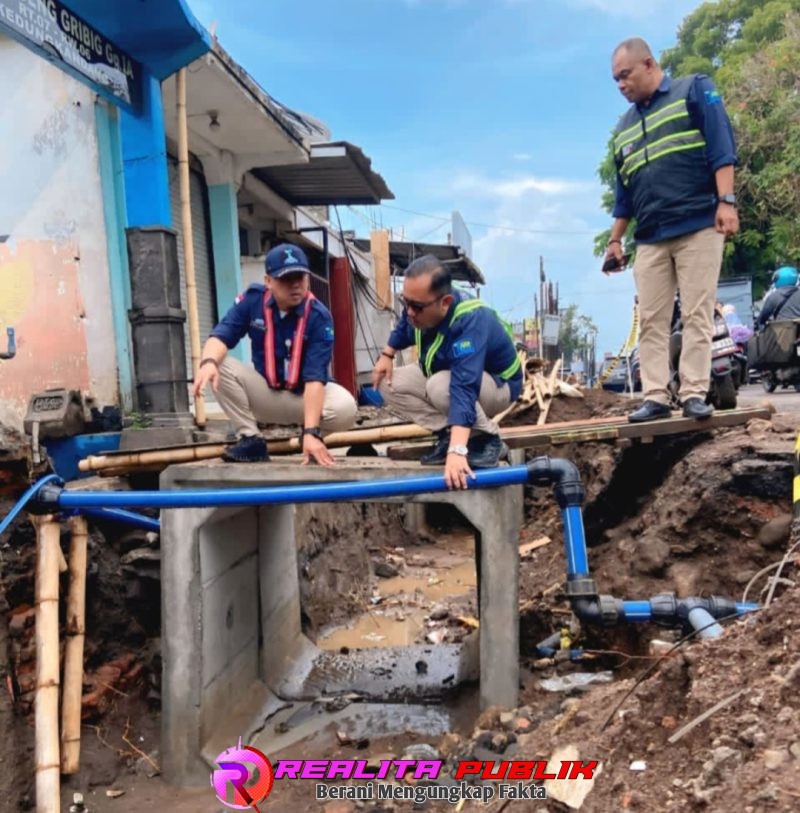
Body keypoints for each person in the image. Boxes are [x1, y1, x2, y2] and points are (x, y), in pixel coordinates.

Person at [604, 37, 739, 422]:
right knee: (651, 320)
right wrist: (615, 240)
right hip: (650, 238)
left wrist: (726, 202)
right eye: (615, 80)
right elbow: (624, 194)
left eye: (625, 75)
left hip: (698, 225)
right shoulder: (623, 130)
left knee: (697, 313)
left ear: (649, 64)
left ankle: (694, 392)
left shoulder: (694, 90)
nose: (621, 85)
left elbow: (721, 146)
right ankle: (656, 397)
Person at [193, 242, 357, 464]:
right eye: (286, 279)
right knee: (217, 364)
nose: (295, 285)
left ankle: (309, 437)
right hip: (266, 393)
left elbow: (315, 378)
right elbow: (221, 336)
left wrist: (311, 431)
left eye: (300, 277)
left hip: (303, 397)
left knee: (346, 407)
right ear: (268, 281)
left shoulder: (319, 316)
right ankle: (250, 438)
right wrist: (208, 363)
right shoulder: (252, 301)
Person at [371, 255, 523, 490]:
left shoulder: (470, 319)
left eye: (416, 307)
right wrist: (387, 354)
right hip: (447, 376)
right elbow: (404, 326)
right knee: (387, 382)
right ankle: (448, 433)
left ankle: (488, 439)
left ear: (445, 302)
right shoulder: (419, 309)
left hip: (497, 385)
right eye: (405, 302)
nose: (409, 312)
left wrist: (457, 452)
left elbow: (464, 387)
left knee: (440, 386)